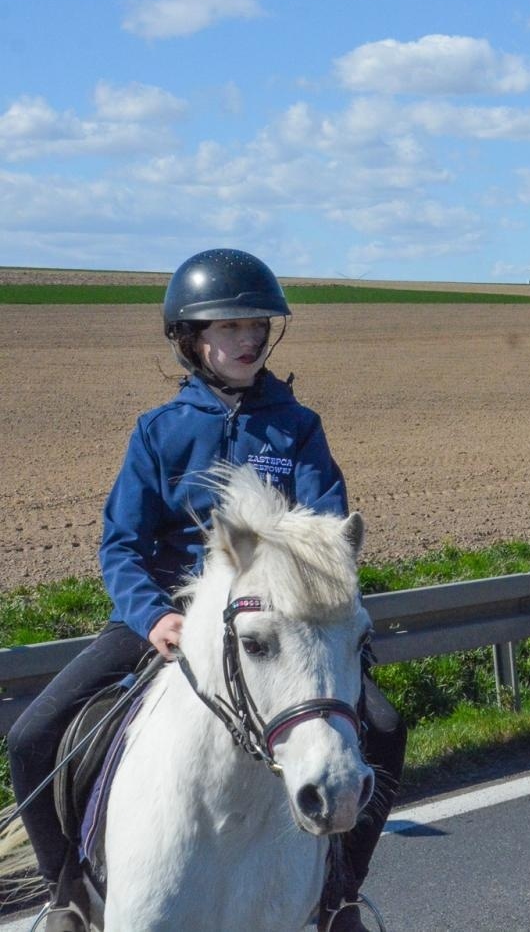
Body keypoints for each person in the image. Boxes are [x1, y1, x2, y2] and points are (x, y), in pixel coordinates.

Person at [5, 249, 404, 932]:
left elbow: (325, 529)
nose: (248, 337)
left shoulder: (296, 428)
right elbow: (121, 546)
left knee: (388, 730)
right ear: (192, 338)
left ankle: (338, 895)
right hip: (164, 617)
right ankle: (67, 891)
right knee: (32, 734)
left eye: (257, 324)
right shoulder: (159, 432)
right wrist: (153, 614)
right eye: (230, 326)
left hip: (277, 622)